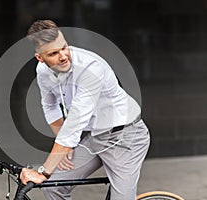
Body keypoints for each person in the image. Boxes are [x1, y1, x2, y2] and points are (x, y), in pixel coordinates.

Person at [20, 19, 150, 200]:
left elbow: (74, 124)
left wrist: (43, 172)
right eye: (54, 53)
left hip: (126, 138)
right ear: (40, 57)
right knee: (53, 187)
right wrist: (63, 147)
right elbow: (50, 106)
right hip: (96, 138)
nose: (64, 56)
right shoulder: (42, 70)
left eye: (64, 47)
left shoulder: (90, 69)